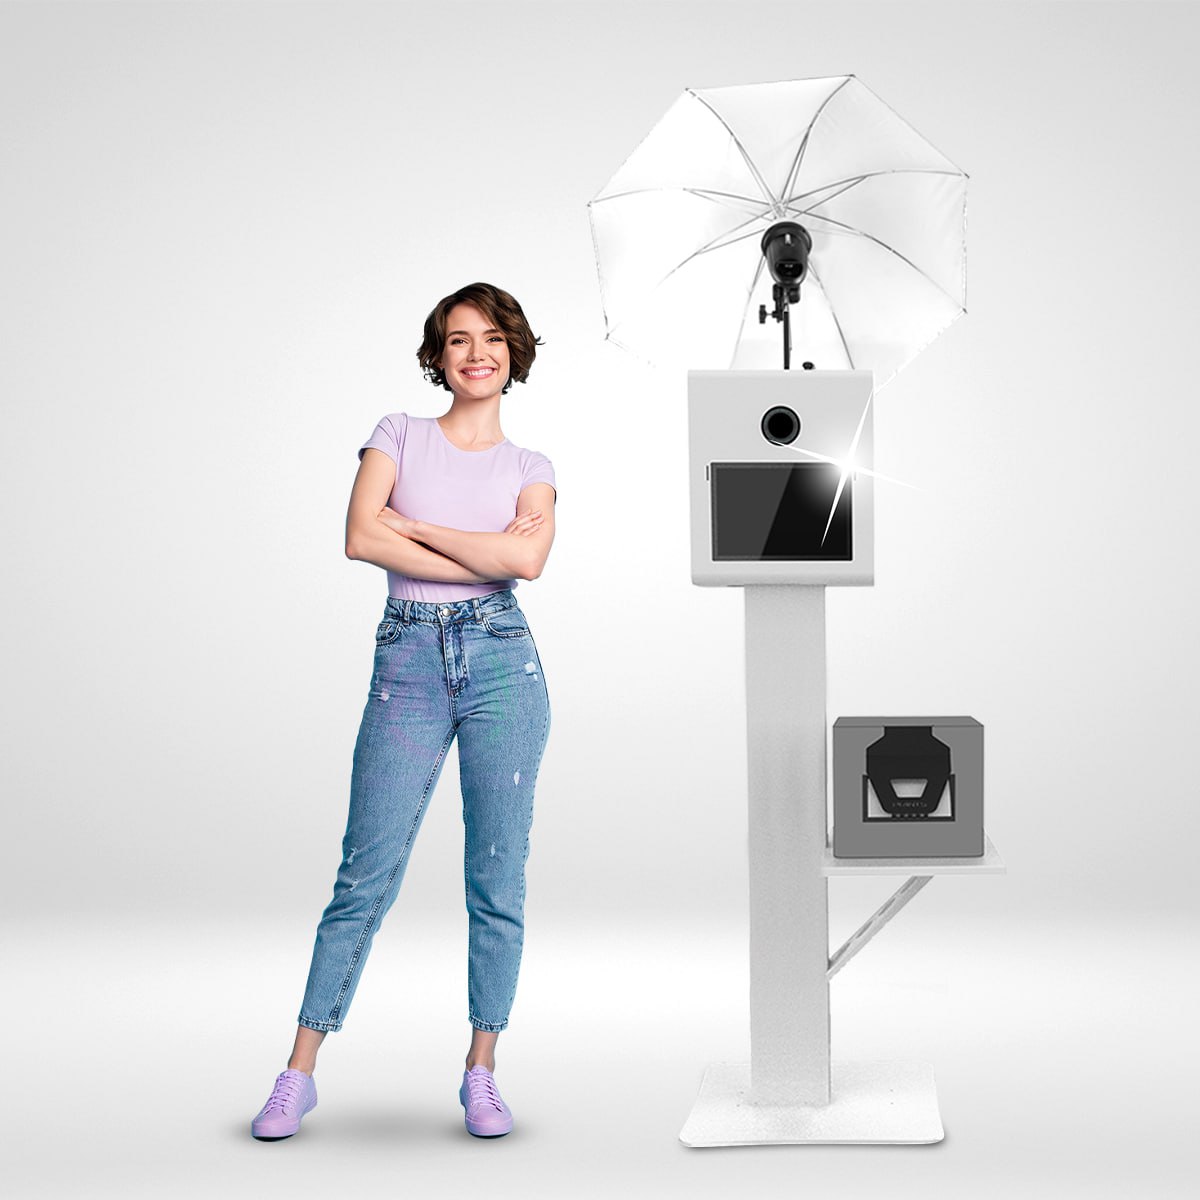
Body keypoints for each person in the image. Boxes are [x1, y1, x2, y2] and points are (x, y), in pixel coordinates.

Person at [250, 282, 556, 1141]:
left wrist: (415, 529)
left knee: (497, 877)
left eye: (492, 339)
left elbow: (526, 565)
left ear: (514, 352)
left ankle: (481, 1071)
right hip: (409, 660)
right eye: (458, 340)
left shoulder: (533, 469)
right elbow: (359, 535)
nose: (475, 354)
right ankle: (296, 1073)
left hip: (504, 662)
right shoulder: (398, 434)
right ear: (438, 357)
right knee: (364, 873)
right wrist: (485, 548)